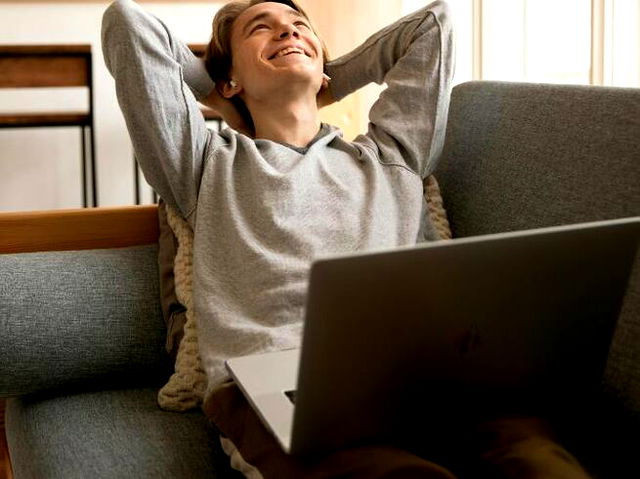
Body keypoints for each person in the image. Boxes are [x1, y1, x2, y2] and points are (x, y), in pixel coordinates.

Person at [102, 1, 592, 477]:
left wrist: (320, 73)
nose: (288, 31)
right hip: (279, 383)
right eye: (260, 27)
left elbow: (435, 23)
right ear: (229, 79)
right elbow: (127, 23)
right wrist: (219, 86)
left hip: (423, 373)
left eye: (299, 25)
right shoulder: (205, 162)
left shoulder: (391, 155)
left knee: (535, 460)